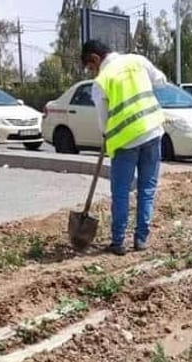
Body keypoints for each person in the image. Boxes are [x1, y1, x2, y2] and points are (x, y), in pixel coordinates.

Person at [81, 39, 167, 256]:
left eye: (91, 68)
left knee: (121, 193)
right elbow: (162, 81)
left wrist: (107, 135)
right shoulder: (137, 61)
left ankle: (118, 242)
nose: (92, 73)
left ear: (95, 59)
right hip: (152, 133)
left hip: (125, 142)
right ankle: (141, 240)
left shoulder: (101, 81)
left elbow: (103, 123)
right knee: (147, 190)